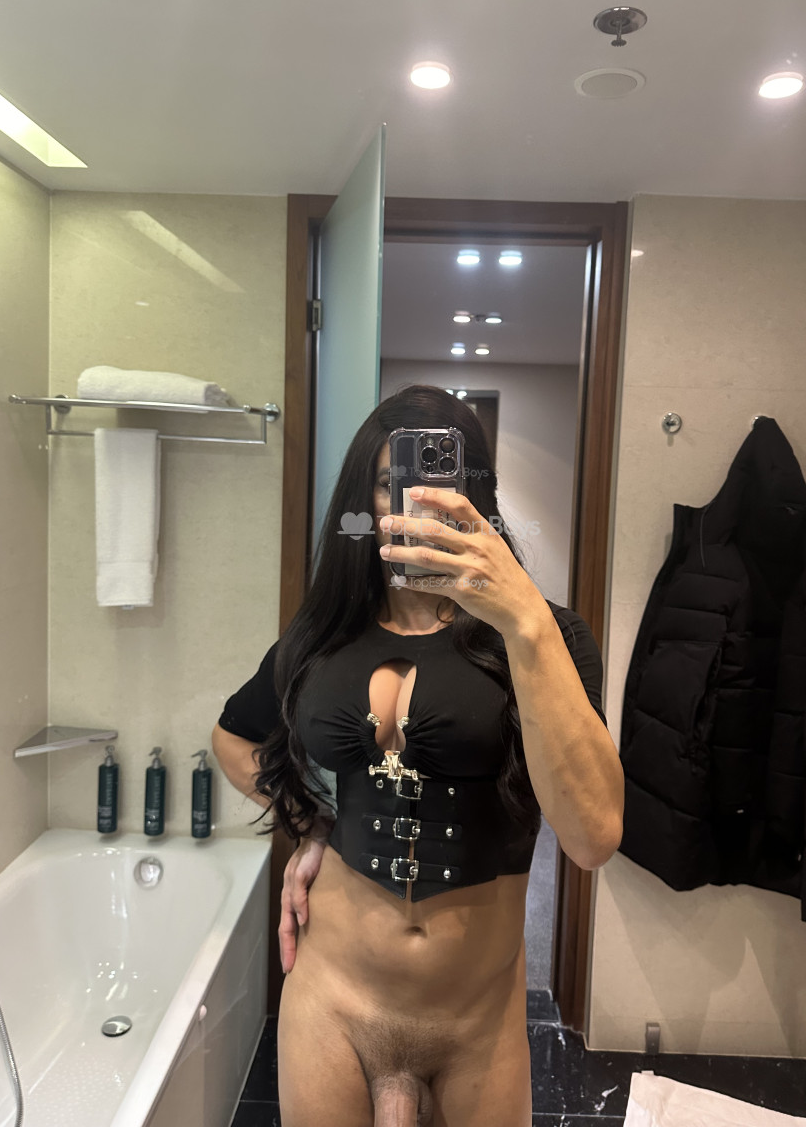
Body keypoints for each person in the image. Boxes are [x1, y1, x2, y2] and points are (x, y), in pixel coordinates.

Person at [212, 384, 623, 1127]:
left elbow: (593, 836)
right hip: (332, 1002)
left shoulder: (548, 636)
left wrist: (523, 618)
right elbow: (234, 738)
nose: (419, 503)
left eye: (447, 484)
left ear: (478, 498)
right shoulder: (324, 635)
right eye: (392, 482)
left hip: (478, 1024)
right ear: (365, 500)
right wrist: (312, 821)